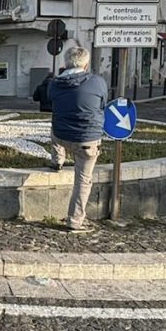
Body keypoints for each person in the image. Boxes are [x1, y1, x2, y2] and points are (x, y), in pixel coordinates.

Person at [47, 47, 108, 233]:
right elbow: (103, 104)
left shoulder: (54, 83)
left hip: (62, 135)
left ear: (65, 64)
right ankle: (74, 220)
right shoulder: (97, 82)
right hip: (86, 139)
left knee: (54, 125)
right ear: (86, 64)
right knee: (83, 180)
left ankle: (57, 160)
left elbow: (51, 101)